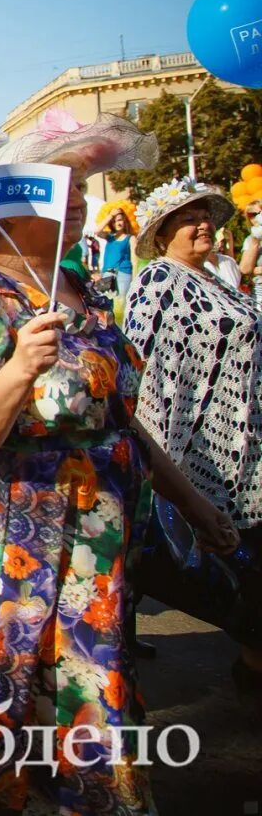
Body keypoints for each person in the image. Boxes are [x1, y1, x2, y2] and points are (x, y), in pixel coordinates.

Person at [0, 112, 239, 812]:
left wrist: (192, 504)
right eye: (64, 183)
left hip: (103, 547)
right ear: (17, 206)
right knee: (21, 697)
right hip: (28, 548)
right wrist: (20, 366)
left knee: (92, 695)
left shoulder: (86, 293)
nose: (81, 197)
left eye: (84, 182)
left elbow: (122, 421)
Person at [124, 177, 262, 697]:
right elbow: (141, 367)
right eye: (189, 216)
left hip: (248, 445)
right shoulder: (160, 280)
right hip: (197, 445)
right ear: (163, 232)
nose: (202, 222)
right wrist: (157, 449)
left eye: (206, 213)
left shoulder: (220, 280)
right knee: (233, 565)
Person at [97, 197, 138, 317]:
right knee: (105, 303)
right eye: (115, 221)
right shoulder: (109, 237)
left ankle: (122, 326)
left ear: (125, 220)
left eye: (120, 220)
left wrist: (135, 278)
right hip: (107, 273)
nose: (118, 223)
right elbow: (97, 230)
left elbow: (134, 261)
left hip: (123, 273)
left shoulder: (130, 238)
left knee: (121, 303)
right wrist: (110, 215)